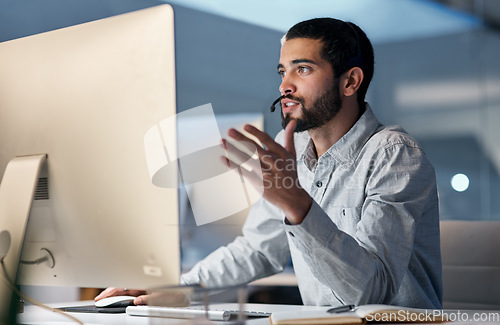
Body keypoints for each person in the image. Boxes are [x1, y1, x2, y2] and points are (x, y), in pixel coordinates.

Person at [96, 17, 442, 309]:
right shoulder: (292, 149)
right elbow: (259, 249)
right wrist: (176, 289)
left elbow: (369, 293)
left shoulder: (394, 154)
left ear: (350, 81)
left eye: (302, 69)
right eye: (282, 71)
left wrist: (297, 205)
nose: (284, 85)